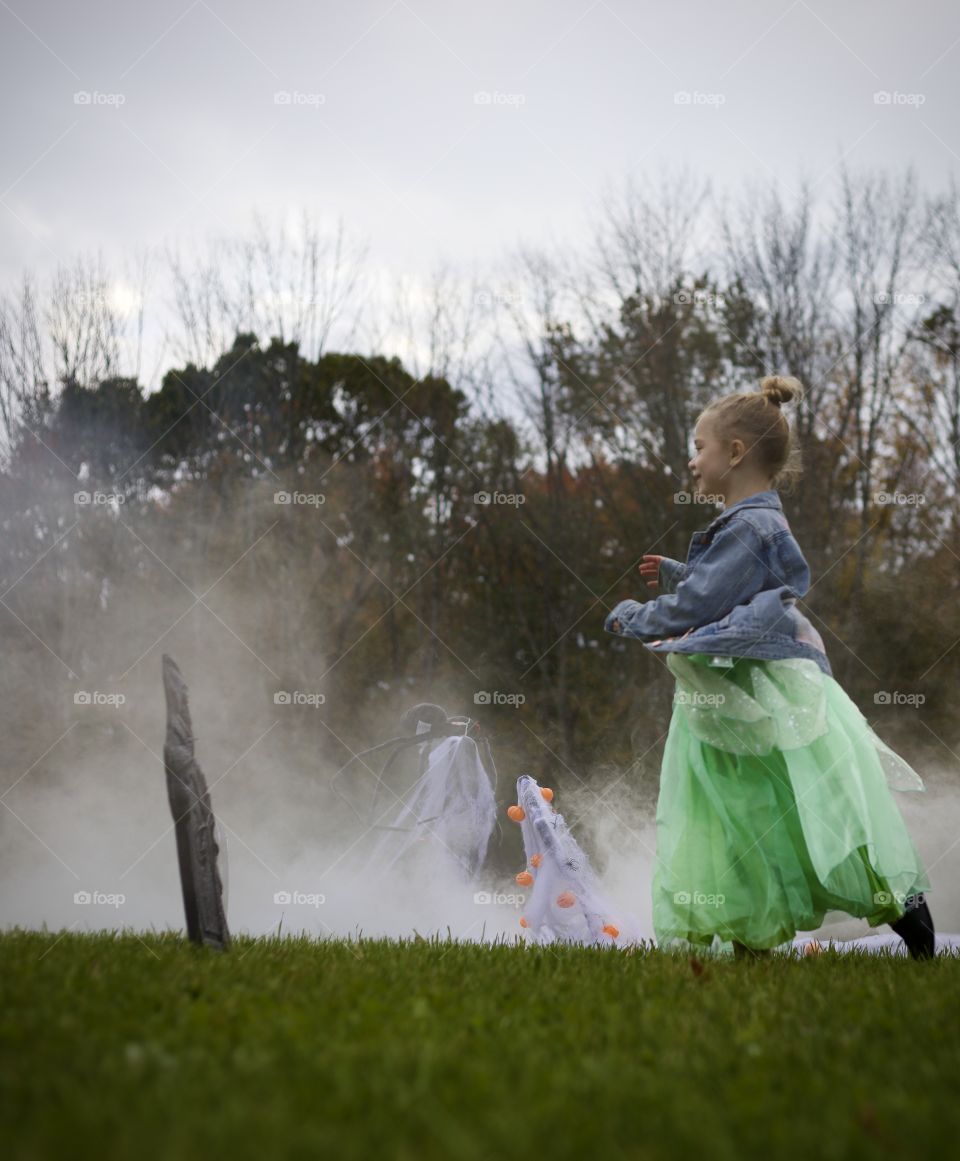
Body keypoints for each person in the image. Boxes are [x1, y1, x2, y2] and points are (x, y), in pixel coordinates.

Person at [604, 375, 935, 961]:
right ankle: (760, 937)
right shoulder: (750, 523)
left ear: (734, 454)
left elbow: (703, 604)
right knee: (762, 813)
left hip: (756, 694)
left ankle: (893, 925)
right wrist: (684, 573)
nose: (692, 461)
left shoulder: (751, 525)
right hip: (750, 688)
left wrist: (633, 615)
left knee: (753, 810)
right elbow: (728, 588)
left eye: (699, 447)